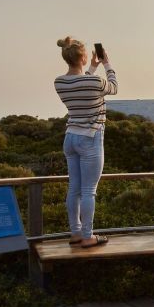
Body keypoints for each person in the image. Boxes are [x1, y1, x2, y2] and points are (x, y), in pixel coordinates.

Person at [54, 36, 118, 248]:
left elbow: (81, 82)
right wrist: (106, 63)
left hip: (70, 137)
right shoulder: (95, 82)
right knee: (89, 190)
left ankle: (75, 232)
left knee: (74, 188)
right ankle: (88, 236)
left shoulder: (60, 82)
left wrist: (91, 67)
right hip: (90, 138)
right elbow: (114, 86)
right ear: (82, 57)